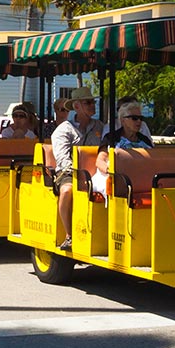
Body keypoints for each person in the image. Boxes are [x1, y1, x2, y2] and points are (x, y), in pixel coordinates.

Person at [51, 88, 104, 245]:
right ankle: (69, 235)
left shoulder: (100, 126)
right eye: (88, 102)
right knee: (67, 190)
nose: (92, 105)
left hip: (97, 171)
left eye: (93, 102)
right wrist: (77, 173)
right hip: (69, 173)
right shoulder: (63, 130)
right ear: (76, 106)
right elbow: (62, 158)